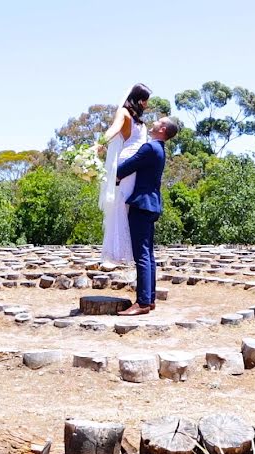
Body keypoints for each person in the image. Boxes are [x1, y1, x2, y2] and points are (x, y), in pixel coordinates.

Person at [114, 117, 180, 316]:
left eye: (159, 121)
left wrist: (108, 172)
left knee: (141, 254)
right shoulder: (159, 149)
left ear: (162, 129)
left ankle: (142, 302)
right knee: (148, 254)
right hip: (152, 205)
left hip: (142, 205)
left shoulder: (149, 148)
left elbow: (126, 168)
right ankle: (149, 300)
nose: (154, 121)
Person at [97, 84, 151, 264]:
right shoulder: (124, 113)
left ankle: (128, 250)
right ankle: (118, 251)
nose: (146, 105)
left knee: (129, 204)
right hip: (128, 162)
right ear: (136, 99)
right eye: (145, 101)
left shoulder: (138, 120)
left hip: (139, 163)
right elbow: (113, 130)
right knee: (121, 203)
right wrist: (100, 144)